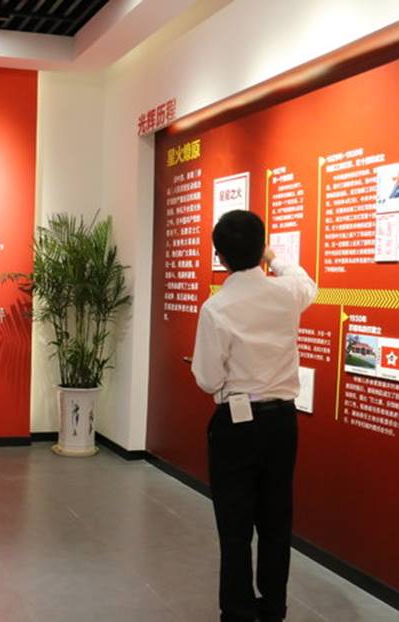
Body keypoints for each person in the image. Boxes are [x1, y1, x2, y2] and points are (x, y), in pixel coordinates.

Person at [191, 210, 317, 622]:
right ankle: (274, 608)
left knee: (235, 527)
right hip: (282, 423)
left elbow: (208, 379)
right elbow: (306, 284)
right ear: (261, 249)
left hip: (236, 424)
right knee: (277, 522)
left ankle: (239, 612)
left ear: (221, 257)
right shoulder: (287, 293)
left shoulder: (217, 307)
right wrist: (274, 258)